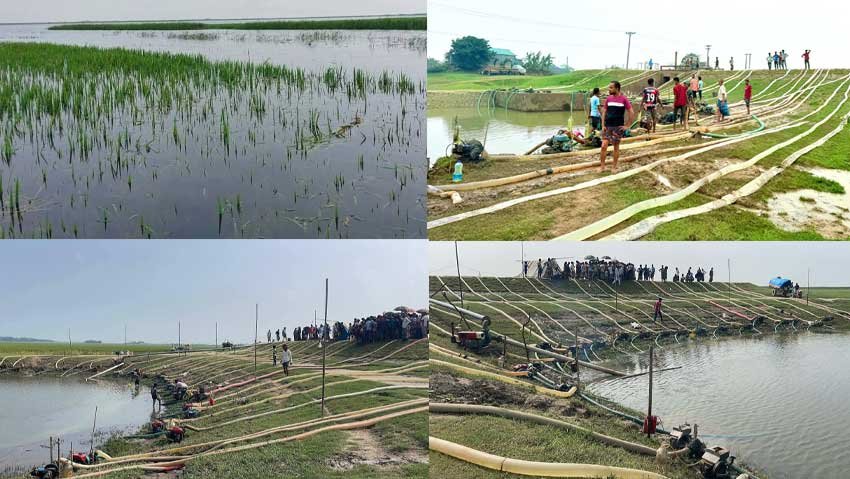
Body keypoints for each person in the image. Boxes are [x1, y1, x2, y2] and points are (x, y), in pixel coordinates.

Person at [599, 81, 634, 173]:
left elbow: (631, 112)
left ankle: (614, 167)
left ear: (617, 88)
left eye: (611, 88)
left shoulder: (624, 99)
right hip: (607, 126)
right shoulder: (608, 99)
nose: (609, 89)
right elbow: (604, 112)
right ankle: (602, 167)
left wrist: (627, 126)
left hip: (618, 127)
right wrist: (603, 125)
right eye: (609, 87)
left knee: (616, 147)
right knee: (603, 146)